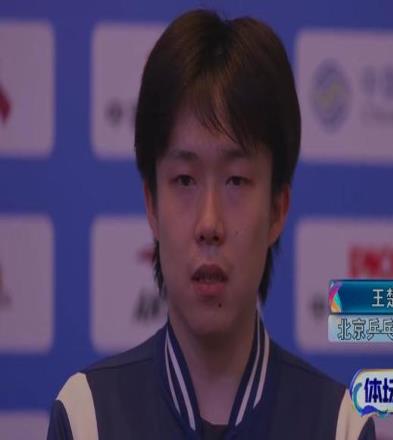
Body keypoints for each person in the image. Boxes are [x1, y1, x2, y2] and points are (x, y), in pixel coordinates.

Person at [47, 9, 375, 440]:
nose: (209, 223)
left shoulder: (339, 425)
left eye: (236, 180)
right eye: (185, 180)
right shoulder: (88, 417)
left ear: (278, 209)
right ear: (152, 205)